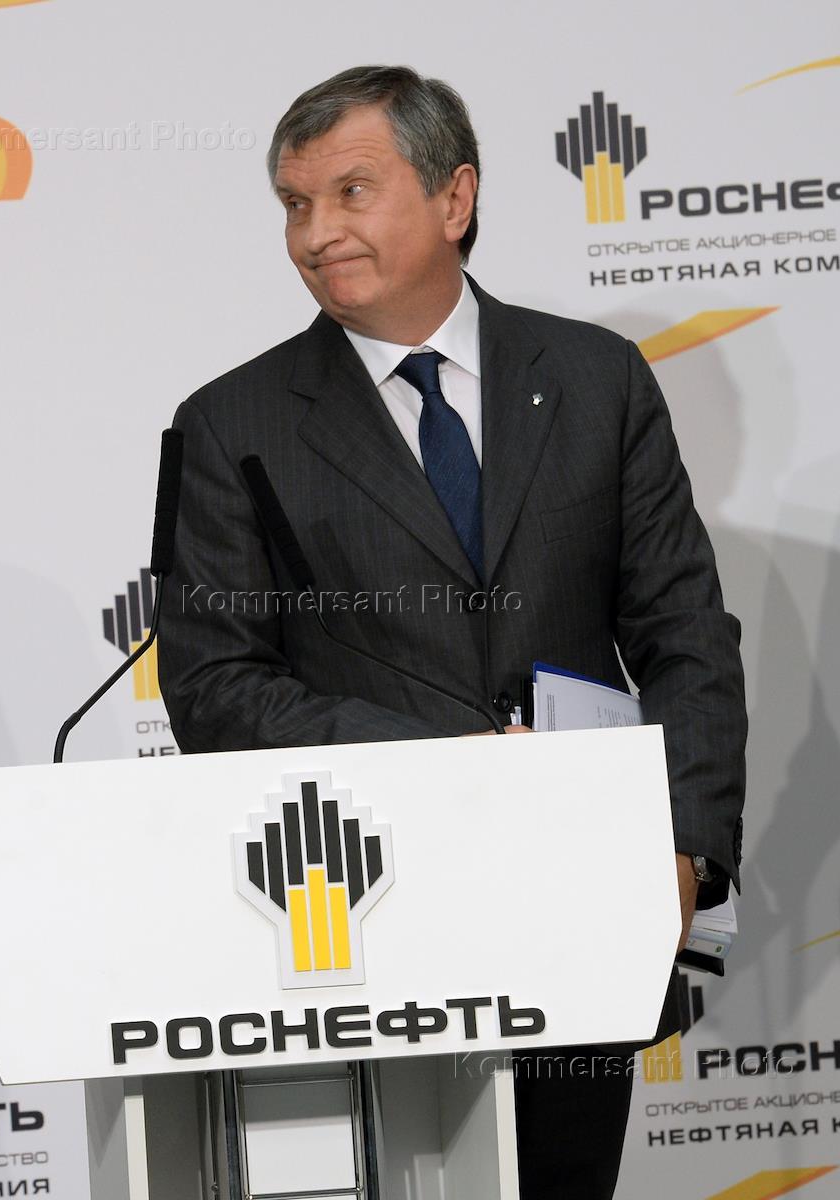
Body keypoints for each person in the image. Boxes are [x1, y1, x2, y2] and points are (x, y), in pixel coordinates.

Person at [159, 65, 746, 1200]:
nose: (314, 233)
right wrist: (449, 764)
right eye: (293, 203)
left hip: (581, 904)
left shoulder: (595, 379)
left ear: (453, 197)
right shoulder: (232, 423)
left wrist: (680, 842)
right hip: (364, 921)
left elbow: (683, 629)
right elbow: (215, 688)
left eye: (350, 192)